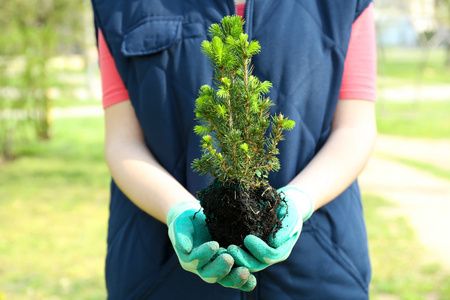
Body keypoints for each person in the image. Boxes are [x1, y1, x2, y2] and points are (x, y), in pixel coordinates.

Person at [91, 0, 377, 298]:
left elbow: (354, 129)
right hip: (160, 271)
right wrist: (177, 210)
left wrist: (300, 200)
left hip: (319, 267)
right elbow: (122, 141)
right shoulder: (118, 5)